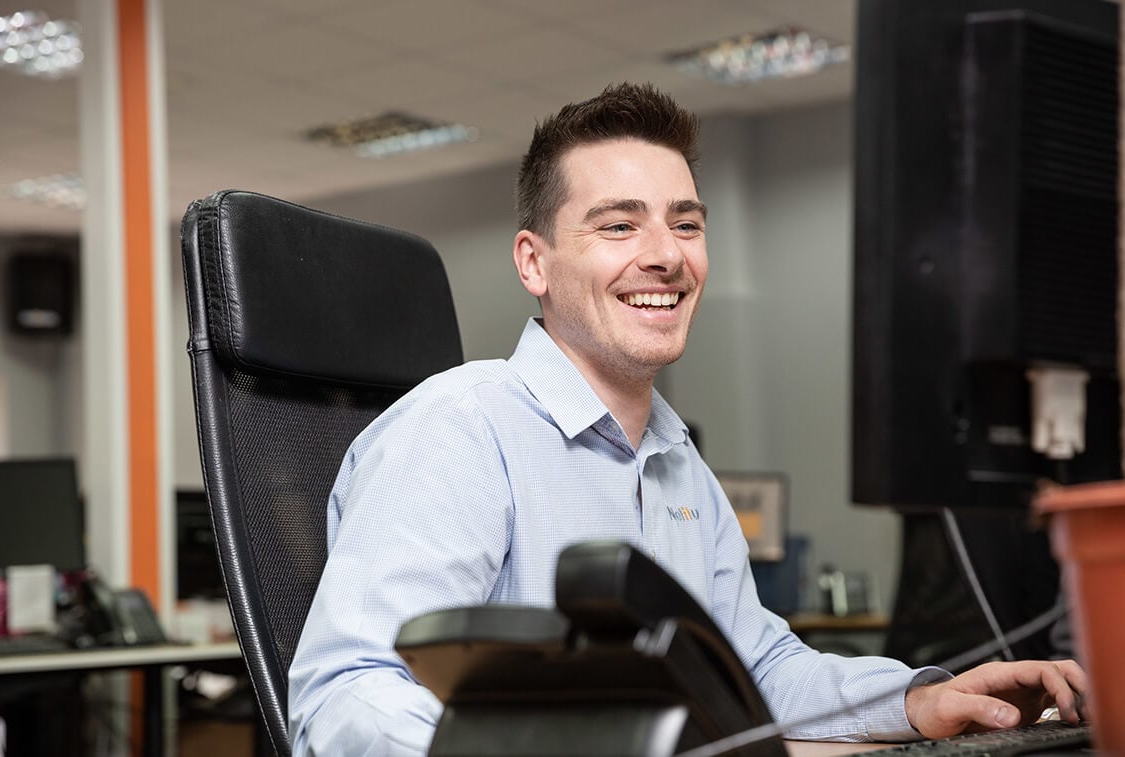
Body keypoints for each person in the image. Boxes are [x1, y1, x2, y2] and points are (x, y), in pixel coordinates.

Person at [288, 83, 1088, 756]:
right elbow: (348, 693)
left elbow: (756, 666)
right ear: (534, 261)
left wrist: (920, 699)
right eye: (618, 223)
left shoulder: (680, 467)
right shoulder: (461, 427)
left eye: (687, 222)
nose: (666, 254)